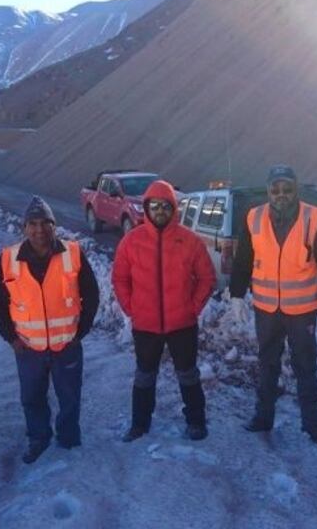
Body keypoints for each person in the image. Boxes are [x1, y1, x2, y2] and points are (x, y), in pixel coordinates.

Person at [229, 165, 317, 446]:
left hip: (302, 311)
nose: (281, 194)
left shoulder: (315, 218)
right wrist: (236, 294)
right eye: (275, 189)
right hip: (266, 310)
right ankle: (263, 418)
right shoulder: (253, 218)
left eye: (287, 188)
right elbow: (242, 260)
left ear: (296, 189)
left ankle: (313, 426)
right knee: (267, 364)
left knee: (305, 367)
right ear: (268, 190)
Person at [0, 197, 99, 464]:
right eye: (33, 224)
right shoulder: (8, 259)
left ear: (54, 226)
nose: (40, 230)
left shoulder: (72, 253)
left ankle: (69, 439)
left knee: (70, 397)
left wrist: (80, 333)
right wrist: (11, 338)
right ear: (25, 227)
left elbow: (92, 294)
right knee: (32, 397)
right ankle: (38, 438)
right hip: (28, 348)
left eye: (45, 223)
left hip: (66, 346)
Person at [112, 180, 216, 442]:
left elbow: (206, 278)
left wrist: (192, 308)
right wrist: (131, 307)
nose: (160, 211)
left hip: (182, 323)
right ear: (146, 208)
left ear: (173, 209)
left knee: (188, 374)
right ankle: (140, 423)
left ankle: (196, 421)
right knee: (144, 375)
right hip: (146, 325)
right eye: (154, 206)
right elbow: (120, 279)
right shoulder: (131, 241)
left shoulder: (189, 240)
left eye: (165, 206)